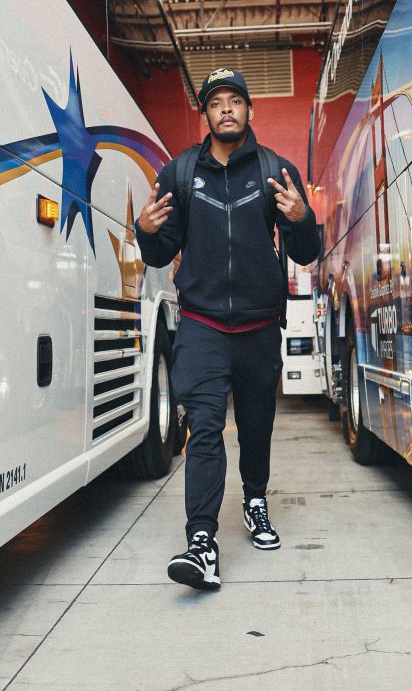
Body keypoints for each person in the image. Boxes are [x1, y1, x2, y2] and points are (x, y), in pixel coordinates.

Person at [135, 68, 321, 591]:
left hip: (261, 326)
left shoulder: (276, 171)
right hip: (202, 325)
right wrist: (144, 232)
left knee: (257, 425)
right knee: (206, 427)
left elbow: (306, 253)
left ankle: (255, 499)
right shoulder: (178, 174)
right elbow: (160, 253)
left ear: (249, 111)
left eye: (235, 100)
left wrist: (302, 218)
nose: (226, 109)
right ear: (206, 114)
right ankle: (201, 542)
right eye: (215, 102)